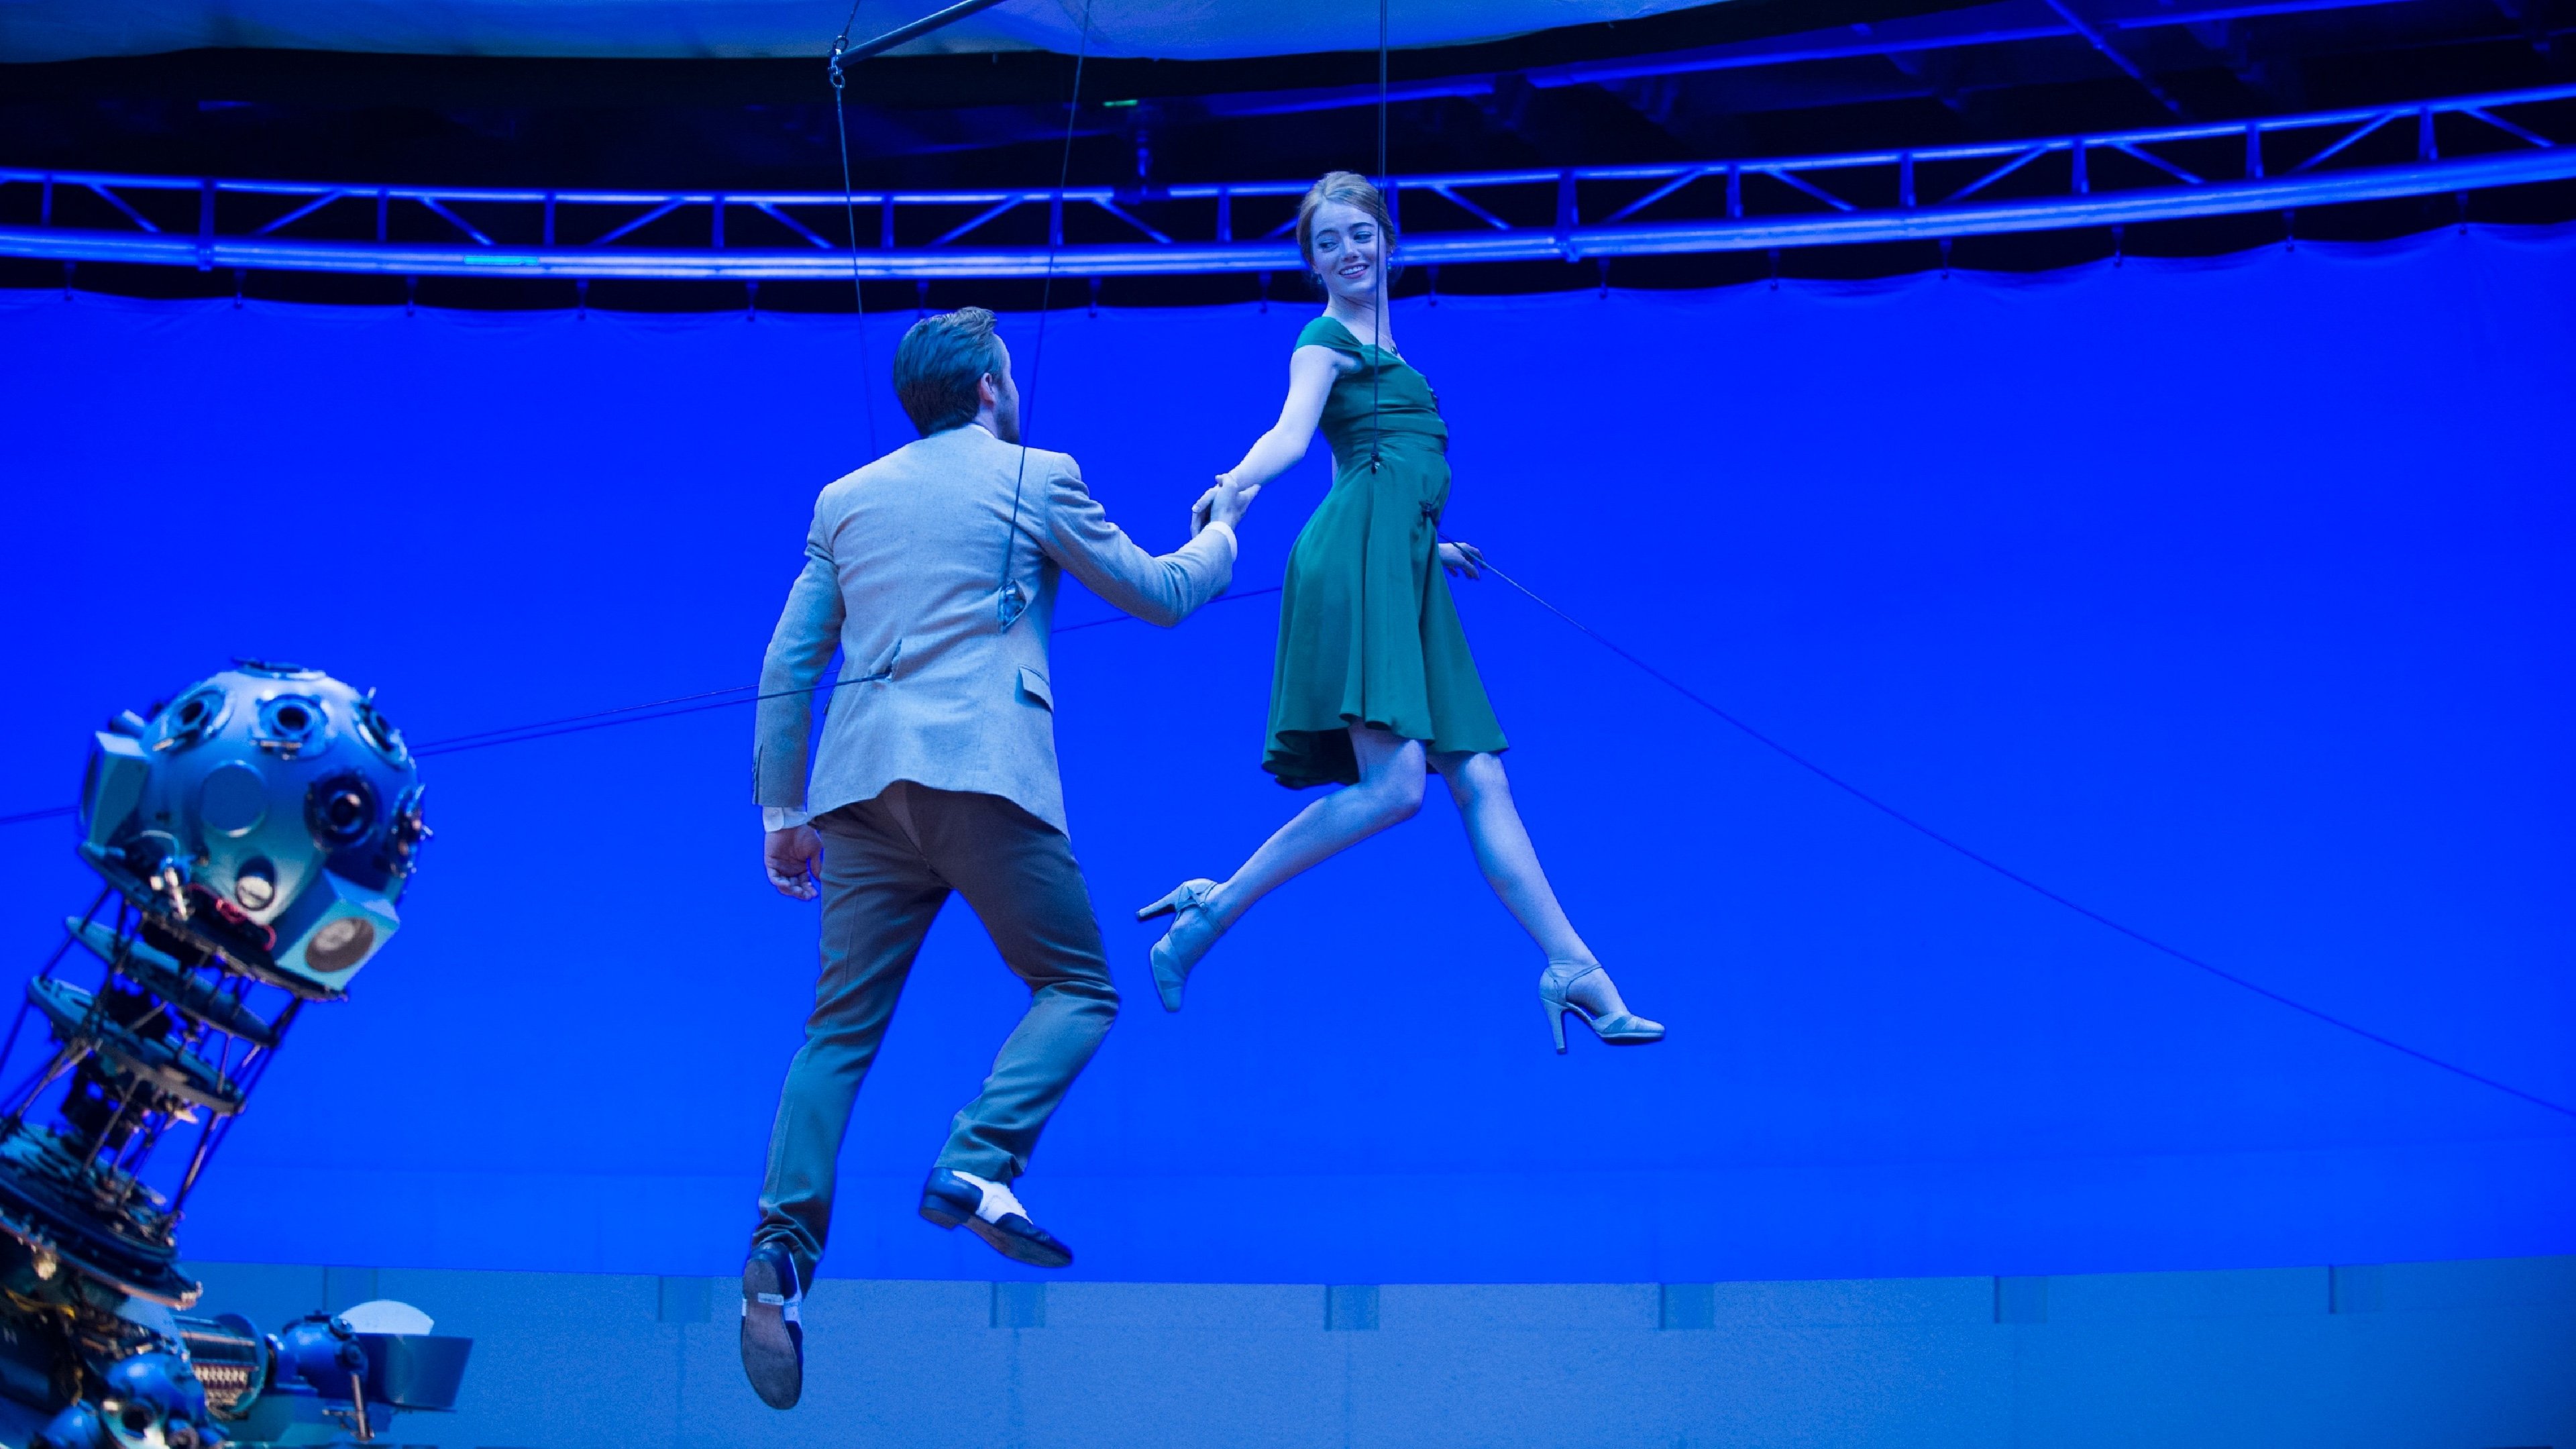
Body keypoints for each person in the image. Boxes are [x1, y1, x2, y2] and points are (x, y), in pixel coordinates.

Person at [741, 305, 1258, 1411]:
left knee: (836, 1034)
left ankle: (780, 1254)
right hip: (982, 777)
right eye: (1007, 374)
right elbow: (1161, 594)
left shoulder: (844, 498)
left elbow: (788, 666)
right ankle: (979, 1160)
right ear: (986, 387)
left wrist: (782, 810)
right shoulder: (1039, 474)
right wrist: (1222, 535)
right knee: (1078, 986)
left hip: (858, 795)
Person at [1140, 171, 1662, 1056]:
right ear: (1312, 265)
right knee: (1397, 788)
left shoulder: (1395, 349)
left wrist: (1430, 545)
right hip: (1355, 565)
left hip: (1401, 565)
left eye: (1360, 234)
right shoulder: (1323, 340)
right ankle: (1213, 911)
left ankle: (1572, 965)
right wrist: (1235, 487)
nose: (1348, 252)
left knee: (1483, 776)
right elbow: (1292, 435)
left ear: (1388, 240)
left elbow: (1372, 464)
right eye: (1328, 243)